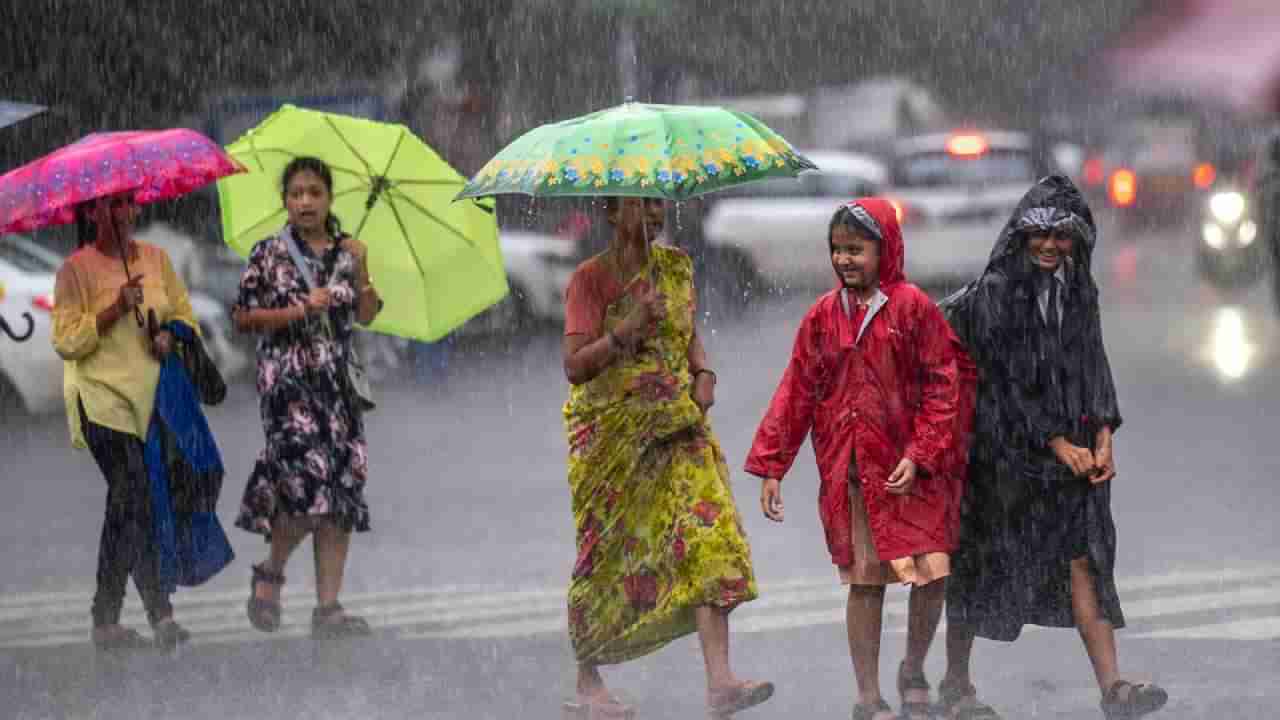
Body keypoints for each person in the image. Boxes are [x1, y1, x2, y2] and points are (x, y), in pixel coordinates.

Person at [937, 175, 1167, 720]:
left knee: (1085, 560)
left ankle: (1113, 688)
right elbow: (1003, 379)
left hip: (1072, 455)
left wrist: (1104, 433)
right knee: (980, 565)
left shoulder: (1077, 290)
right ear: (1019, 235)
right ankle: (955, 684)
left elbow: (1093, 364)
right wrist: (1055, 440)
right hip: (1001, 458)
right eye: (1039, 234)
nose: (1049, 246)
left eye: (1061, 236)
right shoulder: (996, 294)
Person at [745, 199, 966, 720]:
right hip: (854, 475)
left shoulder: (914, 309)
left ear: (884, 249)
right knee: (865, 584)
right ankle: (868, 697)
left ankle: (913, 666)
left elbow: (943, 387)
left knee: (931, 576)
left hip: (912, 475)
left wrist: (922, 452)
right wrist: (773, 465)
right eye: (837, 250)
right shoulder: (822, 318)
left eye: (856, 249)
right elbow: (795, 392)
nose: (845, 260)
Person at [560, 196, 772, 719]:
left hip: (679, 424)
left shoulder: (676, 268)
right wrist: (624, 330)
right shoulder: (591, 279)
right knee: (607, 555)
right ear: (612, 213)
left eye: (659, 204)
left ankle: (720, 681)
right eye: (641, 204)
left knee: (708, 535)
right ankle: (589, 686)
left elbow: (689, 337)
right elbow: (575, 365)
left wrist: (704, 374)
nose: (654, 214)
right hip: (613, 438)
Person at [233, 156, 383, 639]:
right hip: (288, 386)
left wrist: (362, 269)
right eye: (296, 193)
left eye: (314, 193)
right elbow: (243, 317)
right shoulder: (268, 253)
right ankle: (271, 571)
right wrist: (299, 309)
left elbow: (367, 314)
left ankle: (328, 607)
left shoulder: (347, 251)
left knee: (340, 492)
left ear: (329, 199)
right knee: (304, 487)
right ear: (285, 200)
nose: (305, 202)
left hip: (338, 388)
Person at [52, 192, 197, 651]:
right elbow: (67, 342)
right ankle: (130, 616)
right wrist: (115, 307)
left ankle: (136, 617)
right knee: (132, 491)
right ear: (91, 212)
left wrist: (167, 338)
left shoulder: (156, 260)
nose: (121, 213)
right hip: (99, 400)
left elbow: (183, 317)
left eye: (127, 203)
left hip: (148, 401)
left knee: (138, 504)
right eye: (109, 205)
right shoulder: (75, 269)